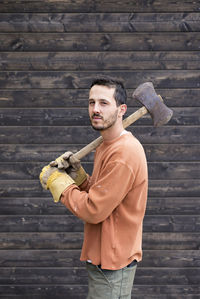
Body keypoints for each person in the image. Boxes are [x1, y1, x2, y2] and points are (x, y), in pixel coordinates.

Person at [40, 76, 148, 299]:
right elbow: (105, 195)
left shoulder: (124, 153)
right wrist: (79, 178)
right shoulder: (107, 145)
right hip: (104, 260)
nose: (95, 109)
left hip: (112, 265)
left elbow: (94, 210)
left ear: (122, 109)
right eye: (92, 102)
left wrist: (60, 184)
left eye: (104, 103)